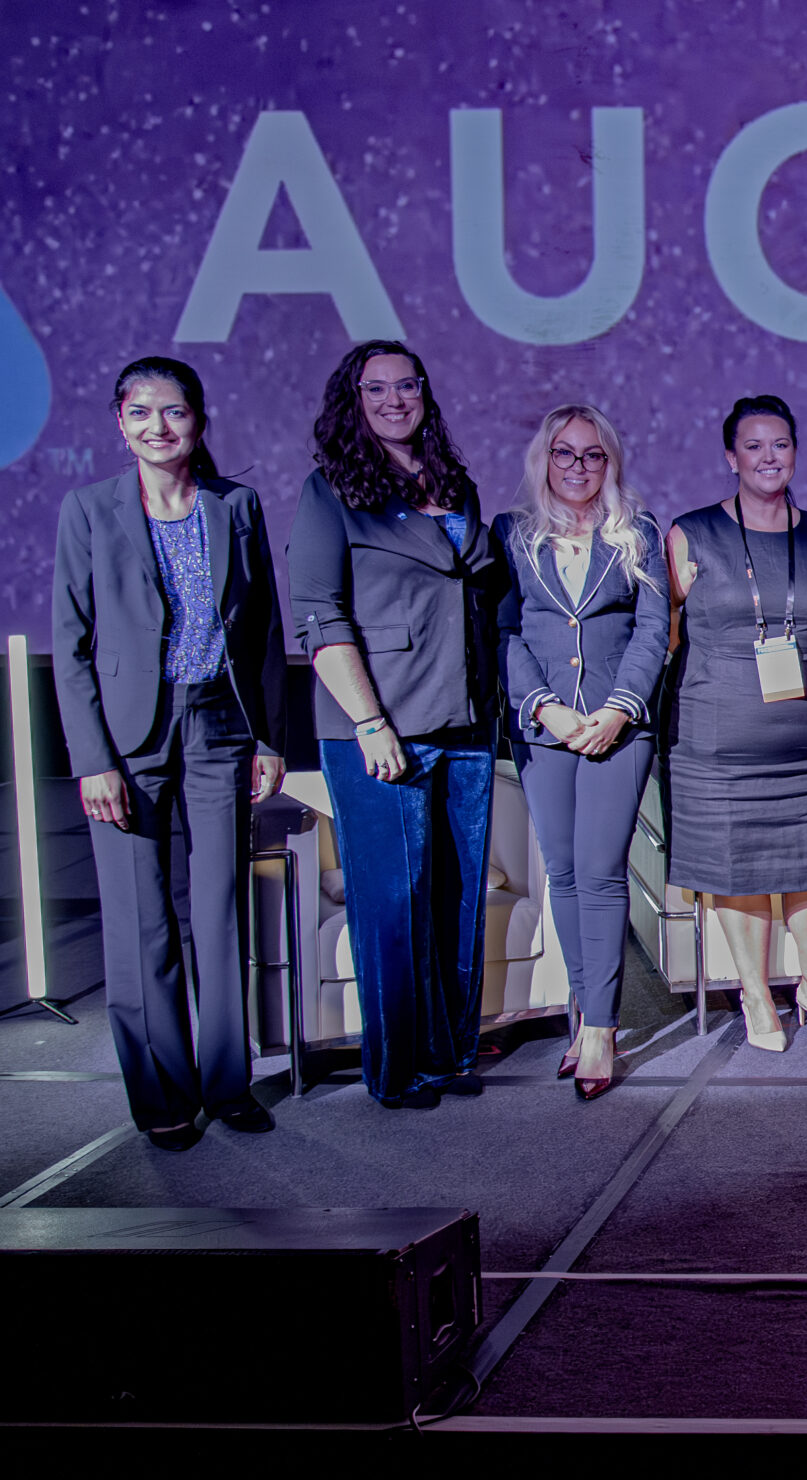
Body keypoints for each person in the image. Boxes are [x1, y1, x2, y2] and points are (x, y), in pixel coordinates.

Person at [52, 357, 287, 1150]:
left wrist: (267, 737)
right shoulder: (87, 511)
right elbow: (70, 644)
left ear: (199, 421)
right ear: (119, 422)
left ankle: (228, 1082)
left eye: (175, 411)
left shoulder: (236, 506)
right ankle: (161, 1095)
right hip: (126, 739)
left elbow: (260, 633)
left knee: (219, 911)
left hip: (220, 726)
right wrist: (92, 758)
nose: (159, 426)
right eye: (142, 412)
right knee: (141, 921)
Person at [291, 340, 507, 1109]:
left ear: (425, 392)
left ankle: (448, 1053)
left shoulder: (456, 484)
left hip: (466, 718)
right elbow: (319, 616)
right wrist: (369, 721)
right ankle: (397, 1069)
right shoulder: (330, 493)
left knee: (456, 893)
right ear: (353, 401)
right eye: (375, 389)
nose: (393, 400)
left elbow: (479, 589)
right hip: (381, 724)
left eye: (406, 385)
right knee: (393, 900)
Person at [665, 396, 807, 1055]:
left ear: (796, 452)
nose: (769, 456)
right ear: (730, 457)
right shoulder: (690, 533)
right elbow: (666, 635)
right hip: (720, 745)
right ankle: (755, 993)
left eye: (780, 444)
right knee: (737, 870)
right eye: (753, 445)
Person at [493, 403, 671, 1100]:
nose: (578, 467)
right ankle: (581, 1013)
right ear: (545, 459)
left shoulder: (639, 531)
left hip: (617, 727)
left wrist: (616, 710)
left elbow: (652, 629)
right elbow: (505, 633)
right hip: (544, 726)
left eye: (593, 455)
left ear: (611, 463)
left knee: (600, 872)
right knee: (561, 874)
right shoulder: (512, 535)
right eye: (565, 454)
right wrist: (544, 706)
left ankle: (601, 1026)